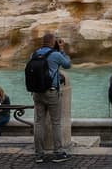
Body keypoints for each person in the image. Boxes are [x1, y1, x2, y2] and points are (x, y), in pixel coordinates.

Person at [31, 32, 71, 164]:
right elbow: (67, 65)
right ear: (53, 42)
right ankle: (58, 153)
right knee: (56, 123)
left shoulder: (34, 54)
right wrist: (62, 49)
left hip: (37, 92)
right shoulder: (55, 55)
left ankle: (39, 154)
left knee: (39, 123)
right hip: (52, 92)